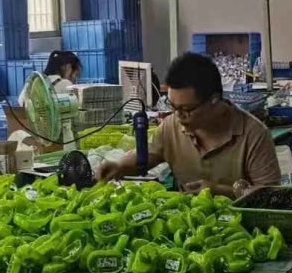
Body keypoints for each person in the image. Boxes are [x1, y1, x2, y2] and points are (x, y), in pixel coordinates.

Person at [99, 51, 280, 195]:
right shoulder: (171, 127)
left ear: (214, 100)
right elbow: (148, 155)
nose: (178, 116)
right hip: (189, 229)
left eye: (186, 110)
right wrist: (119, 166)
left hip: (241, 229)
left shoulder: (253, 135)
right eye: (173, 107)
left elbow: (271, 194)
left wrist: (223, 191)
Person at [17, 50, 82, 106]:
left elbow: (21, 101)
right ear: (68, 67)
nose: (74, 78)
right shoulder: (66, 84)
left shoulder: (35, 80)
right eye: (75, 74)